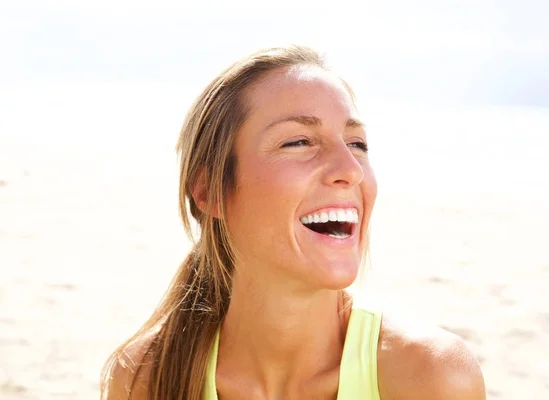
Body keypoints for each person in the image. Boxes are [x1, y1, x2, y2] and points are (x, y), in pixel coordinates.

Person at [101, 45, 486, 400]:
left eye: (357, 144)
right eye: (299, 142)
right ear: (211, 191)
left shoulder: (428, 377)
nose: (349, 169)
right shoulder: (145, 378)